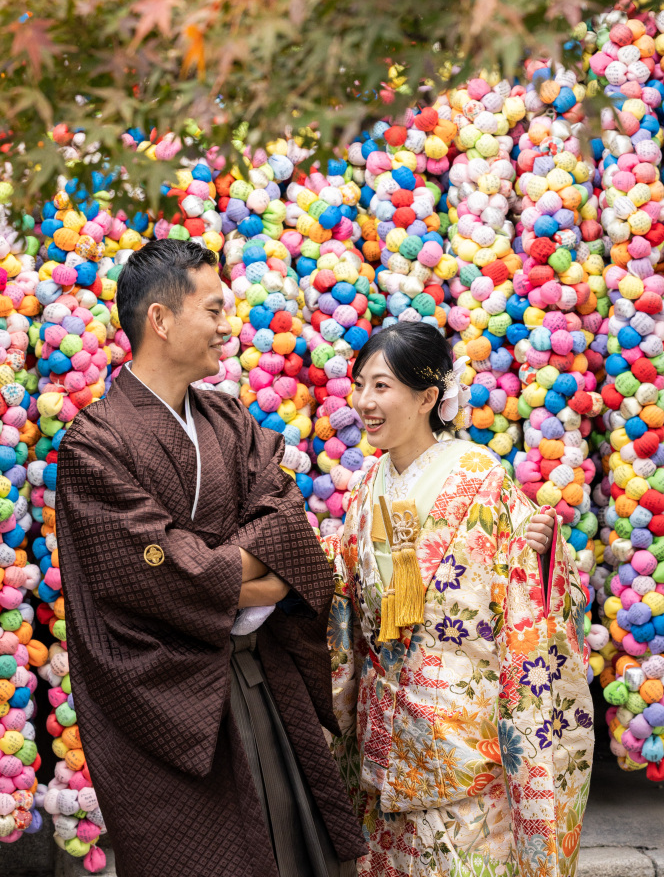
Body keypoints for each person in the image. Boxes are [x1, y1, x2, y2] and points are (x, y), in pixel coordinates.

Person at [56, 238, 365, 877]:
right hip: (168, 702)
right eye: (214, 310)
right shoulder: (96, 443)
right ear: (161, 320)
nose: (229, 328)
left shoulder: (225, 416)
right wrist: (262, 581)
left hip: (259, 678)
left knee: (294, 851)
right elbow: (153, 571)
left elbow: (285, 519)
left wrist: (211, 568)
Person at [323, 321, 593, 877]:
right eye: (360, 385)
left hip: (462, 733)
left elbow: (531, 595)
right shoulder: (366, 485)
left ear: (428, 397)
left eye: (381, 386)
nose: (364, 402)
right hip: (387, 724)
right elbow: (346, 588)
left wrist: (543, 555)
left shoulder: (481, 479)